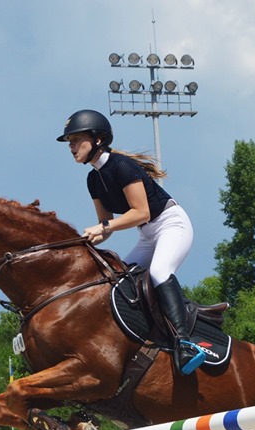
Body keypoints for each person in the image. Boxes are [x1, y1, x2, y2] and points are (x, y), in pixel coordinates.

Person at [57, 108, 206, 375]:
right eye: (70, 142)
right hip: (147, 235)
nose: (71, 146)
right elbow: (108, 226)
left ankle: (185, 343)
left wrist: (103, 226)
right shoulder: (93, 179)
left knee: (160, 272)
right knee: (117, 282)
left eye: (76, 140)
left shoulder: (122, 166)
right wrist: (84, 240)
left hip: (171, 224)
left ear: (98, 139)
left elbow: (141, 212)